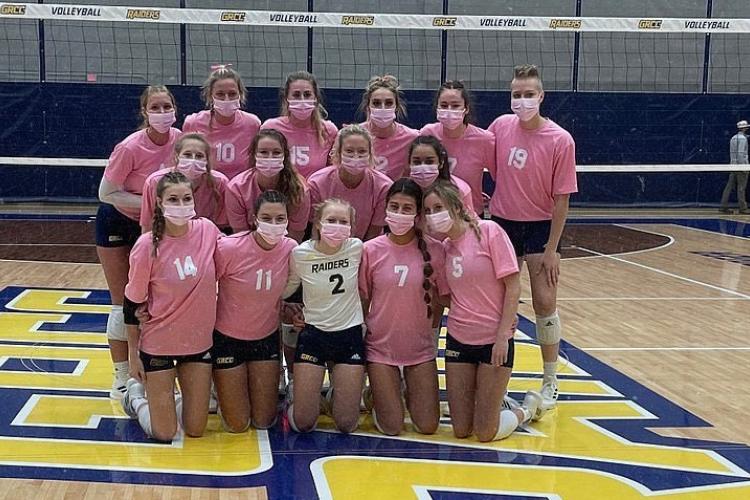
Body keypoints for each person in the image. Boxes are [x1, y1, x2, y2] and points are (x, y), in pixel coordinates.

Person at [487, 64, 578, 411]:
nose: (522, 100)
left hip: (540, 228)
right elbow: (494, 169)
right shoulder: (500, 127)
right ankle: (497, 379)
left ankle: (551, 379)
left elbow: (562, 199)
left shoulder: (560, 139)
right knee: (499, 305)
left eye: (529, 94)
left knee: (544, 302)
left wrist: (553, 249)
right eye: (516, 94)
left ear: (541, 97)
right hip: (503, 224)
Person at [422, 181, 542, 442]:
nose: (433, 215)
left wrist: (503, 336)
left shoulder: (488, 232)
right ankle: (492, 403)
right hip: (458, 339)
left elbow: (513, 286)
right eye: (428, 211)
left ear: (456, 206)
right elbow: (446, 298)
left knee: (485, 433)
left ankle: (525, 410)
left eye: (438, 207)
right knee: (461, 431)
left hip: (493, 341)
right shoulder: (444, 250)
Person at [120, 171, 219, 442]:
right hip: (159, 344)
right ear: (160, 203)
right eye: (173, 199)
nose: (181, 204)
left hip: (197, 344)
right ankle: (137, 399)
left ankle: (163, 399)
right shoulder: (146, 246)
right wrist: (133, 354)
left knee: (196, 429)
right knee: (165, 433)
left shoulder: (207, 231)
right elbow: (132, 304)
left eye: (186, 198)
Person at [96, 85, 181, 399]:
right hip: (118, 221)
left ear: (176, 109)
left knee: (157, 302)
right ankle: (121, 377)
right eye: (155, 107)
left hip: (156, 226)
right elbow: (106, 193)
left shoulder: (181, 141)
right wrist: (148, 201)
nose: (162, 113)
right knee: (124, 304)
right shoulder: (130, 147)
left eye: (166, 106)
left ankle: (156, 370)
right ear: (144, 112)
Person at [359, 179, 446, 436]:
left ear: (418, 214)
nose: (399, 213)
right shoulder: (370, 250)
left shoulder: (435, 250)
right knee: (392, 427)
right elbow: (364, 299)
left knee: (428, 425)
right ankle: (378, 393)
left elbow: (440, 299)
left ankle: (404, 391)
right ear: (386, 209)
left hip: (419, 349)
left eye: (407, 208)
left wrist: (432, 336)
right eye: (394, 206)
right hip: (380, 349)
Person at [213, 190, 298, 432]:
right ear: (254, 218)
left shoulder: (291, 248)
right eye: (267, 218)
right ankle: (220, 392)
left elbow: (286, 291)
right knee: (237, 425)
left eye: (280, 218)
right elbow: (204, 287)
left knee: (264, 421)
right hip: (227, 339)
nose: (273, 224)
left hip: (265, 339)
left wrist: (290, 310)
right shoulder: (229, 248)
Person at [286, 199, 365, 434]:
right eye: (331, 220)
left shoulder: (356, 248)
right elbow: (289, 288)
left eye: (344, 222)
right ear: (318, 224)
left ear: (351, 227)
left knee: (347, 424)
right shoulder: (300, 254)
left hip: (349, 334)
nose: (337, 226)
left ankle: (335, 395)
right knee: (304, 423)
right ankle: (305, 399)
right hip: (313, 335)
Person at [419, 80, 495, 214]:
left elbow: (500, 178)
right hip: (434, 214)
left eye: (455, 105)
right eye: (444, 105)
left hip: (470, 214)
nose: (449, 110)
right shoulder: (427, 134)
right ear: (436, 107)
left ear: (466, 108)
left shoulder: (484, 140)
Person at [307, 124, 393, 241]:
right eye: (349, 151)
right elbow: (315, 228)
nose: (355, 156)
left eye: (362, 151)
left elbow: (374, 233)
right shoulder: (317, 182)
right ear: (338, 152)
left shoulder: (384, 186)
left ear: (370, 154)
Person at [224, 128, 310, 241]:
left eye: (276, 152)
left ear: (285, 156)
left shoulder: (300, 189)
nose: (270, 157)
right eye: (264, 152)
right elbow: (240, 234)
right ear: (254, 155)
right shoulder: (236, 189)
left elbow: (296, 233)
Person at [183, 65, 261, 180]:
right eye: (220, 94)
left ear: (240, 95)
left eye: (232, 94)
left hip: (241, 190)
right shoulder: (193, 123)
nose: (226, 99)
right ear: (210, 96)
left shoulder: (252, 124)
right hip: (207, 188)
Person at [140, 133, 229, 232]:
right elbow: (147, 226)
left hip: (205, 237)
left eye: (199, 156)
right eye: (187, 154)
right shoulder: (155, 182)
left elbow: (221, 226)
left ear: (207, 160)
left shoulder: (220, 183)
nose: (193, 160)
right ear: (177, 157)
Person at [261, 71, 338, 178]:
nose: (302, 100)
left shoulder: (329, 130)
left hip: (315, 192)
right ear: (286, 99)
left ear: (315, 98)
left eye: (307, 95)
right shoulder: (271, 128)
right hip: (281, 191)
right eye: (296, 95)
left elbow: (333, 171)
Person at [359, 75, 419, 181]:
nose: (383, 108)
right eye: (376, 103)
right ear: (368, 107)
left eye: (389, 103)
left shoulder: (412, 138)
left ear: (397, 107)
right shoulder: (356, 136)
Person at [407, 135, 474, 215]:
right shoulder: (404, 189)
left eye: (429, 162)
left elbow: (470, 222)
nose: (423, 167)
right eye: (417, 162)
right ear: (409, 163)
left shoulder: (460, 189)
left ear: (441, 162)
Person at [720, 120, 750, 214]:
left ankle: (723, 206)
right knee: (741, 187)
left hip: (732, 165)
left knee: (729, 186)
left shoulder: (733, 138)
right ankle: (743, 208)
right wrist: (744, 167)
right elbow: (741, 154)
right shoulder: (743, 139)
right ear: (745, 128)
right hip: (741, 166)